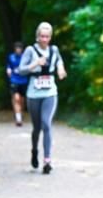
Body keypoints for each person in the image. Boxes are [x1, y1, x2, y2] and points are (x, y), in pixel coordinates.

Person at [19, 22, 67, 174]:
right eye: (42, 36)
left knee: (47, 124)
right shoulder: (30, 50)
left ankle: (47, 160)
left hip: (49, 93)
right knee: (37, 128)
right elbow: (21, 70)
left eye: (47, 36)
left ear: (50, 37)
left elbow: (59, 61)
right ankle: (34, 150)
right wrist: (35, 64)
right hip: (33, 94)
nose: (44, 39)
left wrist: (60, 69)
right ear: (37, 36)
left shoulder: (54, 50)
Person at [6, 41, 29, 126]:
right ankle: (18, 118)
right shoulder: (11, 57)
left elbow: (29, 67)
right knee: (16, 98)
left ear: (22, 49)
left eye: (20, 48)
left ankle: (20, 113)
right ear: (15, 49)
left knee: (22, 100)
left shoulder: (25, 57)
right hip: (14, 80)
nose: (18, 50)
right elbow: (9, 65)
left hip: (23, 80)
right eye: (17, 49)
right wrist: (8, 70)